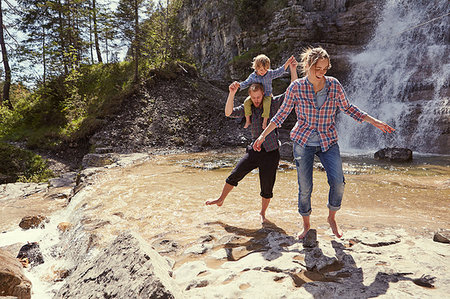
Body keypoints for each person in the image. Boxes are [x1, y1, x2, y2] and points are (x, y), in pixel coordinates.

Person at [253, 47, 395, 238]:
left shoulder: (334, 85)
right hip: (303, 141)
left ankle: (332, 218)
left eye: (325, 69)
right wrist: (262, 136)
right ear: (308, 66)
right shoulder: (296, 88)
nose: (321, 73)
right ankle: (306, 224)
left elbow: (348, 108)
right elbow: (281, 115)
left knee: (338, 182)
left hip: (328, 141)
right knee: (305, 187)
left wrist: (374, 121)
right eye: (317, 68)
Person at [206, 59, 298, 223]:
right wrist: (232, 93)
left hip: (271, 153)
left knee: (267, 187)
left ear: (263, 94)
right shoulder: (247, 107)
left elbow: (292, 90)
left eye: (258, 97)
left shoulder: (274, 103)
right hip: (254, 151)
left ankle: (263, 213)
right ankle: (220, 199)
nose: (256, 100)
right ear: (250, 96)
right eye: (253, 97)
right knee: (235, 175)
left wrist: (292, 69)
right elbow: (228, 112)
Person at [238, 54, 295, 129]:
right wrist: (238, 85)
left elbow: (279, 71)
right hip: (256, 96)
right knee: (246, 102)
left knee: (268, 105)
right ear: (256, 68)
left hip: (267, 95)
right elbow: (245, 83)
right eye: (261, 70)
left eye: (266, 69)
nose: (264, 72)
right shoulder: (252, 76)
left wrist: (287, 63)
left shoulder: (269, 74)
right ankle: (248, 120)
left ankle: (265, 122)